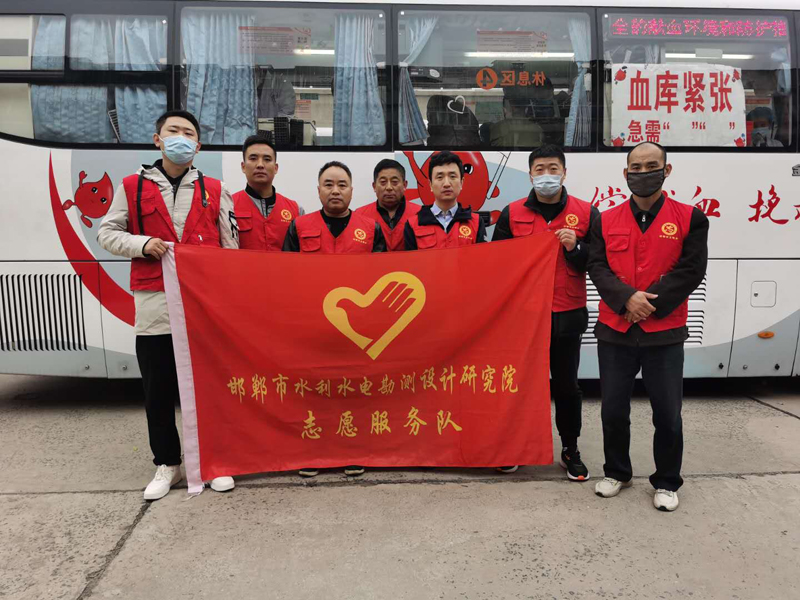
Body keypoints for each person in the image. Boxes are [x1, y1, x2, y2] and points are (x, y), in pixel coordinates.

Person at [97, 110, 239, 501]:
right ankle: (168, 463)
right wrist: (142, 244)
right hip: (155, 302)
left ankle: (213, 461)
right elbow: (107, 233)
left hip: (202, 304)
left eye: (188, 133)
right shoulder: (132, 186)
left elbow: (230, 247)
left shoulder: (215, 189)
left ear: (198, 145)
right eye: (173, 131)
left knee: (209, 388)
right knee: (158, 388)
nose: (181, 137)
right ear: (157, 139)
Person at [588, 141, 708, 512]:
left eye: (651, 166)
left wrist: (647, 304)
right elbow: (597, 266)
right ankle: (617, 472)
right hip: (615, 330)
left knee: (667, 414)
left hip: (664, 333)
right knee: (613, 410)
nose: (643, 173)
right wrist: (626, 298)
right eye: (636, 168)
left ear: (666, 170)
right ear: (626, 174)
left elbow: (691, 270)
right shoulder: (604, 219)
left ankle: (667, 481)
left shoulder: (690, 218)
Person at [492, 144, 598, 481]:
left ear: (564, 173)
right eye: (539, 169)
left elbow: (599, 263)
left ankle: (570, 448)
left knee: (566, 386)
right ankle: (516, 446)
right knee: (521, 385)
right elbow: (496, 265)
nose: (546, 175)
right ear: (530, 174)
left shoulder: (586, 213)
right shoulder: (512, 214)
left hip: (567, 313)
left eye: (553, 168)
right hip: (523, 317)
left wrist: (575, 247)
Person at [283, 161, 385, 478]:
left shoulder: (371, 229)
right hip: (311, 328)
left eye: (342, 185)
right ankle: (312, 453)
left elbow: (382, 277)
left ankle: (353, 451)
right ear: (318, 190)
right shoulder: (299, 227)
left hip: (356, 331)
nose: (335, 190)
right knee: (313, 393)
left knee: (355, 392)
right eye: (329, 184)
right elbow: (283, 276)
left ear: (352, 190)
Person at [403, 151, 487, 250]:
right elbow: (411, 259)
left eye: (452, 176)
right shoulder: (413, 224)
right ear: (430, 184)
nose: (446, 184)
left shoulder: (476, 222)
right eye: (440, 177)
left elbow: (481, 258)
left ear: (461, 182)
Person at [233, 133, 302, 251]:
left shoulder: (296, 210)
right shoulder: (228, 206)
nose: (260, 165)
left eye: (267, 159)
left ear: (276, 168)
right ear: (243, 166)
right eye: (253, 158)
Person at [355, 159, 421, 251]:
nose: (389, 187)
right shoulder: (360, 215)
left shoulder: (420, 213)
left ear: (404, 185)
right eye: (383, 182)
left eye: (394, 182)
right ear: (374, 186)